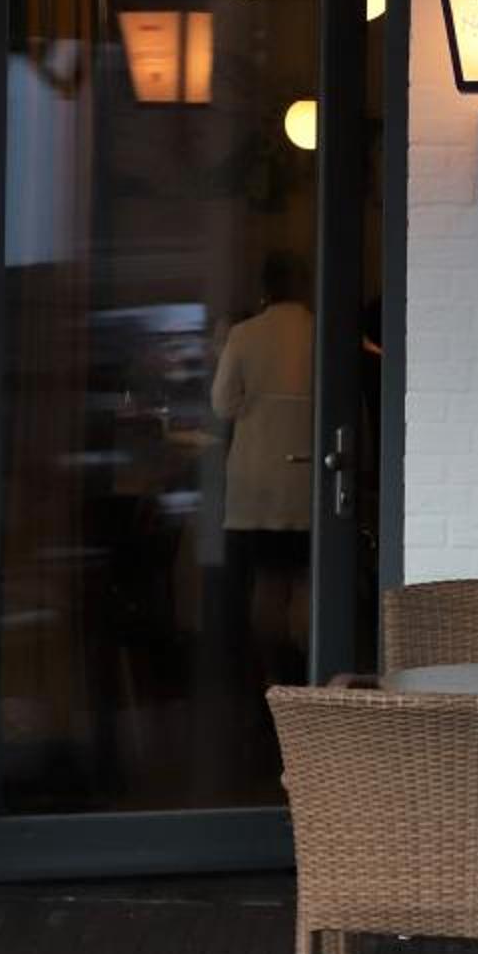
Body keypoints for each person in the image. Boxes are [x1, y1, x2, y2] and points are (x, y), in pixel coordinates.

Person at [212, 253, 314, 690]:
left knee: (267, 583)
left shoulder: (244, 334)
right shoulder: (322, 331)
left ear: (265, 289)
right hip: (310, 480)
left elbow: (223, 404)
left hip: (257, 483)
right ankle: (309, 677)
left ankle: (273, 677)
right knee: (305, 581)